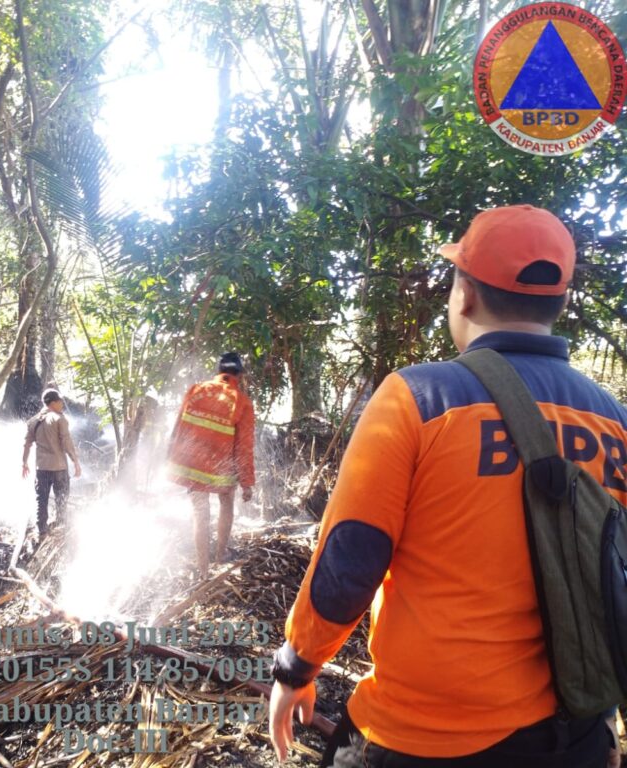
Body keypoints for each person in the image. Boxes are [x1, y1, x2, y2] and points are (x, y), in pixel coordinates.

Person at [267, 205, 627, 767]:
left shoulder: (417, 399)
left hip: (423, 736)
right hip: (574, 738)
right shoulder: (614, 420)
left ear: (465, 294)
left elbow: (351, 556)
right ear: (560, 302)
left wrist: (296, 668)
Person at [168, 352, 256, 580]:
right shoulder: (241, 402)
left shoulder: (196, 390)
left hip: (191, 464)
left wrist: (171, 457)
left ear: (219, 371)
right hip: (220, 468)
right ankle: (220, 554)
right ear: (239, 375)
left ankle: (203, 571)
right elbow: (244, 447)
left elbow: (178, 426)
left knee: (200, 512)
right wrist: (246, 483)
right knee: (227, 502)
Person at [22, 389, 81, 537]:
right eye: (60, 401)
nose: (62, 404)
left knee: (41, 500)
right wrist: (75, 461)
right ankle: (61, 527)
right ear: (53, 403)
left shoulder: (33, 421)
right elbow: (66, 442)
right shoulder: (59, 419)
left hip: (41, 468)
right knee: (61, 498)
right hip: (59, 467)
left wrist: (24, 463)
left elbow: (27, 444)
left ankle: (42, 530)